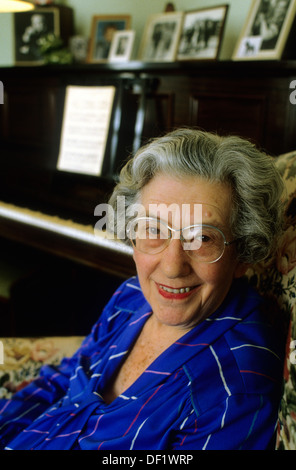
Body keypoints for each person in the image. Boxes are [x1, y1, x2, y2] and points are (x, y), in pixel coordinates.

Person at [0, 128, 285, 450]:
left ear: (243, 256)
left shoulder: (235, 391)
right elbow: (66, 378)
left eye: (202, 238)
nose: (172, 266)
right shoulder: (131, 295)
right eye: (152, 229)